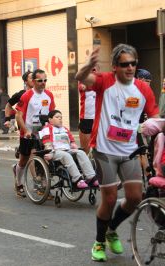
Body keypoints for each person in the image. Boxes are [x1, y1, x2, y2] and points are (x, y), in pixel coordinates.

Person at [75, 44, 159, 262]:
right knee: (110, 199)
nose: (130, 68)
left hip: (129, 150)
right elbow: (81, 77)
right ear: (114, 67)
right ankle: (99, 242)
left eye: (133, 63)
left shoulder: (143, 89)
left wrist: (154, 127)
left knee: (134, 198)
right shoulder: (105, 81)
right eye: (124, 64)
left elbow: (155, 117)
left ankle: (112, 228)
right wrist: (87, 66)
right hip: (105, 150)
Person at [15, 69, 55, 197]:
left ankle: (42, 187)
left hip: (43, 134)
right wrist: (25, 130)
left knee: (44, 159)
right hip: (28, 133)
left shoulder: (49, 95)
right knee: (23, 161)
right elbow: (18, 116)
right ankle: (18, 183)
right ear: (33, 81)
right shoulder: (27, 95)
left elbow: (52, 115)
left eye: (45, 80)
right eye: (40, 81)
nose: (43, 83)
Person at [40, 110, 98, 188]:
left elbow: (72, 140)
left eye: (61, 117)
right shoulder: (46, 129)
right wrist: (50, 153)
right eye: (57, 117)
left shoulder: (64, 129)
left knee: (81, 153)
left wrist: (73, 145)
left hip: (67, 150)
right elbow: (47, 143)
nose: (60, 119)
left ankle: (91, 178)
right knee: (66, 155)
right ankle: (77, 180)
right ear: (50, 120)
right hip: (55, 151)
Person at [4, 71, 34, 158]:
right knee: (28, 154)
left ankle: (21, 149)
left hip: (37, 124)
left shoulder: (39, 93)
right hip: (24, 124)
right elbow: (8, 106)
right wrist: (7, 120)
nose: (33, 79)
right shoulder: (21, 94)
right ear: (25, 81)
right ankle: (21, 151)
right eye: (31, 77)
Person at [78, 66, 99, 154]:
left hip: (100, 118)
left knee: (100, 149)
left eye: (93, 69)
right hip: (87, 118)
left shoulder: (102, 81)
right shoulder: (82, 80)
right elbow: (84, 86)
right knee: (85, 150)